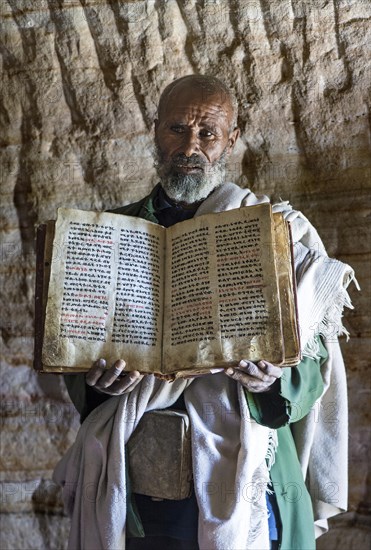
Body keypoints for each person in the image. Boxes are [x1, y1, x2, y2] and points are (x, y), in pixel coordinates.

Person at [54, 75, 356, 550]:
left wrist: (271, 381)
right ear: (154, 131)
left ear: (231, 139)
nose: (190, 146)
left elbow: (313, 358)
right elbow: (80, 349)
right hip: (138, 486)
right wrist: (95, 382)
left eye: (208, 133)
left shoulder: (275, 232)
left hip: (249, 473)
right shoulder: (115, 233)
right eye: (177, 129)